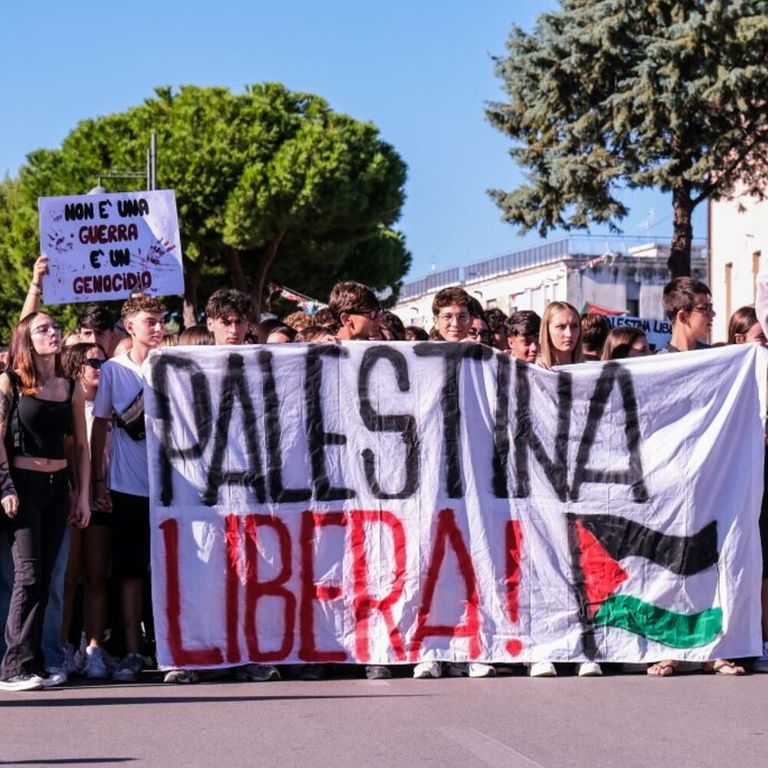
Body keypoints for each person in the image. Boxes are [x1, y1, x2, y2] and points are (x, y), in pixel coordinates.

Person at [647, 279, 741, 677]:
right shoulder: (652, 364)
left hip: (712, 479)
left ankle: (714, 648)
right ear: (682, 315)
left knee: (714, 560)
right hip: (667, 481)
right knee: (670, 563)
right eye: (706, 308)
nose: (713, 316)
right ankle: (667, 647)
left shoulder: (720, 361)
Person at [0, 312, 90, 691]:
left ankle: (35, 661)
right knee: (28, 575)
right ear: (26, 338)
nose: (52, 333)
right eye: (43, 329)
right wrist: (6, 486)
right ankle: (12, 666)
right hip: (23, 485)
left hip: (58, 487)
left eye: (54, 327)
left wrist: (82, 494)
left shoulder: (70, 386)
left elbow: (82, 445)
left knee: (50, 573)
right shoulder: (12, 383)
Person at [91, 294, 166, 684]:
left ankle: (170, 645)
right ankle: (134, 650)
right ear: (130, 326)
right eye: (150, 321)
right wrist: (99, 480)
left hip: (173, 489)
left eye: (161, 320)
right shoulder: (114, 371)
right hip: (127, 485)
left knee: (170, 569)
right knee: (131, 570)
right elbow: (100, 424)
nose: (158, 327)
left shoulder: (174, 365)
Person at [60, 342, 113, 679]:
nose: (99, 368)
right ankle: (61, 646)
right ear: (77, 366)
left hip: (105, 497)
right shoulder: (67, 402)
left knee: (97, 576)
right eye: (93, 362)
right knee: (68, 578)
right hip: (73, 496)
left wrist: (102, 488)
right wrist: (78, 491)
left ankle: (93, 647)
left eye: (103, 362)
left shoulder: (112, 404)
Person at [727, 306, 768, 673]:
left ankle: (760, 638)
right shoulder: (726, 374)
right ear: (740, 341)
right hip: (737, 479)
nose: (766, 345)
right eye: (761, 339)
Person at [659, 277, 714, 352]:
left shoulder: (714, 356)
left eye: (710, 307)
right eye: (705, 308)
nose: (713, 314)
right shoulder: (660, 362)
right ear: (683, 317)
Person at [538, 302, 584, 369]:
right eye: (561, 326)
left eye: (574, 326)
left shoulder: (589, 370)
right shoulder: (534, 371)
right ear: (547, 330)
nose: (569, 334)